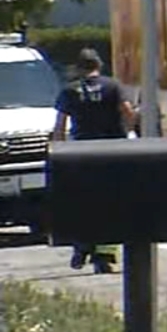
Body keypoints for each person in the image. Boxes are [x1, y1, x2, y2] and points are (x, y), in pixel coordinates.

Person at [50, 48, 135, 274]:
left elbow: (60, 125)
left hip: (82, 154)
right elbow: (128, 112)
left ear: (79, 68)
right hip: (112, 152)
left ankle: (82, 244)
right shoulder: (113, 86)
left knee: (85, 201)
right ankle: (104, 254)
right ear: (99, 65)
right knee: (112, 202)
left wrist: (58, 150)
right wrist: (127, 134)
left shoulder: (70, 90)